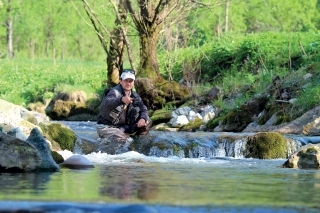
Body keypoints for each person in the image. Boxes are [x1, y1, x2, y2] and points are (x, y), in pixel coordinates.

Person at [96, 69, 152, 142]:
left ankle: (138, 142)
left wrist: (143, 118)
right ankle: (126, 139)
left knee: (148, 121)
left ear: (133, 82)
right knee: (123, 138)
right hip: (106, 127)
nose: (128, 83)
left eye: (130, 81)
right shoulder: (113, 92)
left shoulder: (135, 95)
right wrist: (121, 100)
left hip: (124, 127)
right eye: (126, 80)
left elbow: (143, 109)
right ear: (121, 81)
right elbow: (107, 103)